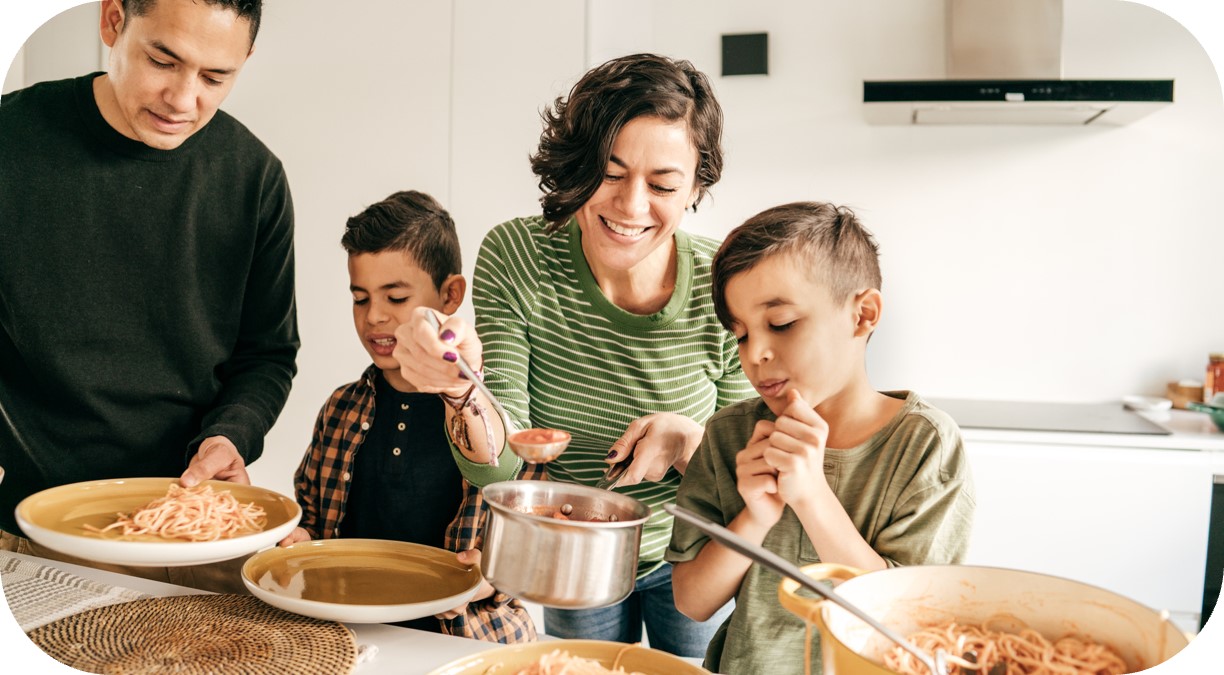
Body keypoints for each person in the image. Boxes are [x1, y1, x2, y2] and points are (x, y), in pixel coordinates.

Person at [392, 53, 755, 656]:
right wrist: (460, 387)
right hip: (570, 550)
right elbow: (500, 467)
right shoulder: (518, 255)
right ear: (574, 168)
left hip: (694, 554)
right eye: (609, 174)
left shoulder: (725, 280)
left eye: (663, 184)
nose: (631, 207)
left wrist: (692, 444)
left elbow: (751, 480)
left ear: (695, 188)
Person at [0, 0, 298, 593]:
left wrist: (229, 436)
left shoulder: (255, 179)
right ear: (112, 21)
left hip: (192, 534)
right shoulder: (12, 142)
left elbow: (267, 355)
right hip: (26, 534)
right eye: (163, 60)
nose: (184, 100)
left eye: (216, 78)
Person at [666, 202, 977, 674]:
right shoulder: (728, 435)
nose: (757, 354)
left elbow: (911, 622)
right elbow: (692, 602)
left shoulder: (924, 445)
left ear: (863, 314)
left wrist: (811, 496)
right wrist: (756, 515)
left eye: (782, 323)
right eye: (741, 334)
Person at [281, 190, 535, 643]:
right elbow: (314, 521)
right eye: (360, 298)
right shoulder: (340, 408)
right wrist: (299, 540)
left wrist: (491, 577)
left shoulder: (495, 419)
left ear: (450, 294)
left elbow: (525, 553)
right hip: (346, 632)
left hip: (464, 636)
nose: (374, 317)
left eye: (395, 297)